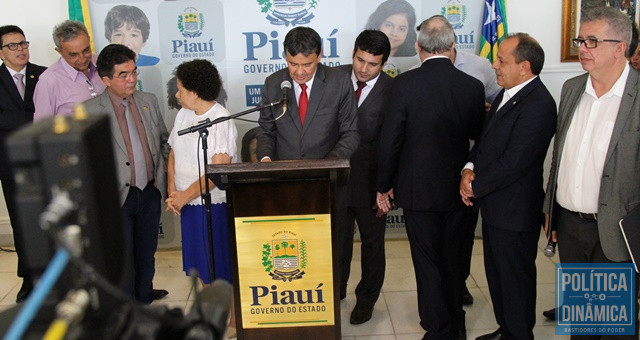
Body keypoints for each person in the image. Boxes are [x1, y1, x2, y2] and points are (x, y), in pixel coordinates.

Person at [376, 15, 484, 340]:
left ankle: (438, 331)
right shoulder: (473, 87)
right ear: (453, 47)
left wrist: (383, 186)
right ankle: (456, 326)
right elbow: (481, 142)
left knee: (427, 263)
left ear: (419, 48)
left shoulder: (404, 85)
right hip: (460, 191)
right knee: (454, 259)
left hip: (417, 191)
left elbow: (390, 141)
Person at [543, 6, 640, 339]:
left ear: (619, 48)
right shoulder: (572, 89)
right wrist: (551, 213)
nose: (582, 47)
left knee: (614, 329)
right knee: (583, 326)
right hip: (571, 227)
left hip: (618, 232)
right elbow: (559, 157)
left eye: (592, 41)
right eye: (580, 39)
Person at [460, 33, 557, 340]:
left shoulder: (539, 104)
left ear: (524, 67)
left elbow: (516, 162)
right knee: (498, 276)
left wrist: (476, 187)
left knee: (515, 280)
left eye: (502, 60)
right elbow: (486, 143)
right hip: (496, 208)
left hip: (516, 212)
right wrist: (469, 169)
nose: (494, 65)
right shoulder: (506, 93)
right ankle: (506, 330)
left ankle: (518, 335)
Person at [82, 44, 169, 303]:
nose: (131, 79)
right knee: (123, 256)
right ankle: (126, 306)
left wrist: (166, 182)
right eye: (123, 74)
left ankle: (144, 296)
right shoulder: (89, 111)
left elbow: (164, 142)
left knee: (146, 251)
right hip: (117, 196)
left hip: (150, 191)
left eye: (134, 72)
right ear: (106, 79)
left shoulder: (149, 101)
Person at [165, 59, 237, 337]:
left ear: (195, 91)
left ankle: (232, 322)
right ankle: (212, 318)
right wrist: (174, 191)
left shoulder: (221, 119)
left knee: (220, 266)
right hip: (188, 204)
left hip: (213, 206)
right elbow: (172, 153)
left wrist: (184, 196)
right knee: (202, 267)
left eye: (181, 89)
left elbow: (216, 175)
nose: (177, 94)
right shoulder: (183, 115)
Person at [335, 30, 392, 325]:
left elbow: (395, 142)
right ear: (354, 52)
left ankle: (366, 300)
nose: (363, 68)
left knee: (372, 244)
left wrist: (387, 186)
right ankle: (336, 291)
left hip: (372, 184)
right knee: (338, 240)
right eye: (360, 59)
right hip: (335, 180)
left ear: (383, 64)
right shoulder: (333, 78)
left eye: (372, 64)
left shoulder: (393, 90)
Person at [256, 26, 358, 161]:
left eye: (307, 65)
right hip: (284, 175)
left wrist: (327, 166)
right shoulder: (272, 83)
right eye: (293, 64)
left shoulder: (339, 82)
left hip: (327, 175)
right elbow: (266, 131)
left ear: (319, 56)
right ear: (285, 56)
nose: (299, 72)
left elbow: (350, 133)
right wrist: (266, 159)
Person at [0, 25, 46, 303]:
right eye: (13, 46)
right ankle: (29, 279)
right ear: (1, 52)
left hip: (46, 160)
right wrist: (34, 121)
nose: (21, 49)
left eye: (23, 43)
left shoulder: (43, 75)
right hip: (11, 164)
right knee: (22, 223)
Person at [33, 20, 106, 120]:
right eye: (73, 55)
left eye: (86, 50)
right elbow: (41, 128)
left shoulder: (102, 62)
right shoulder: (48, 81)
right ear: (59, 51)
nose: (82, 59)